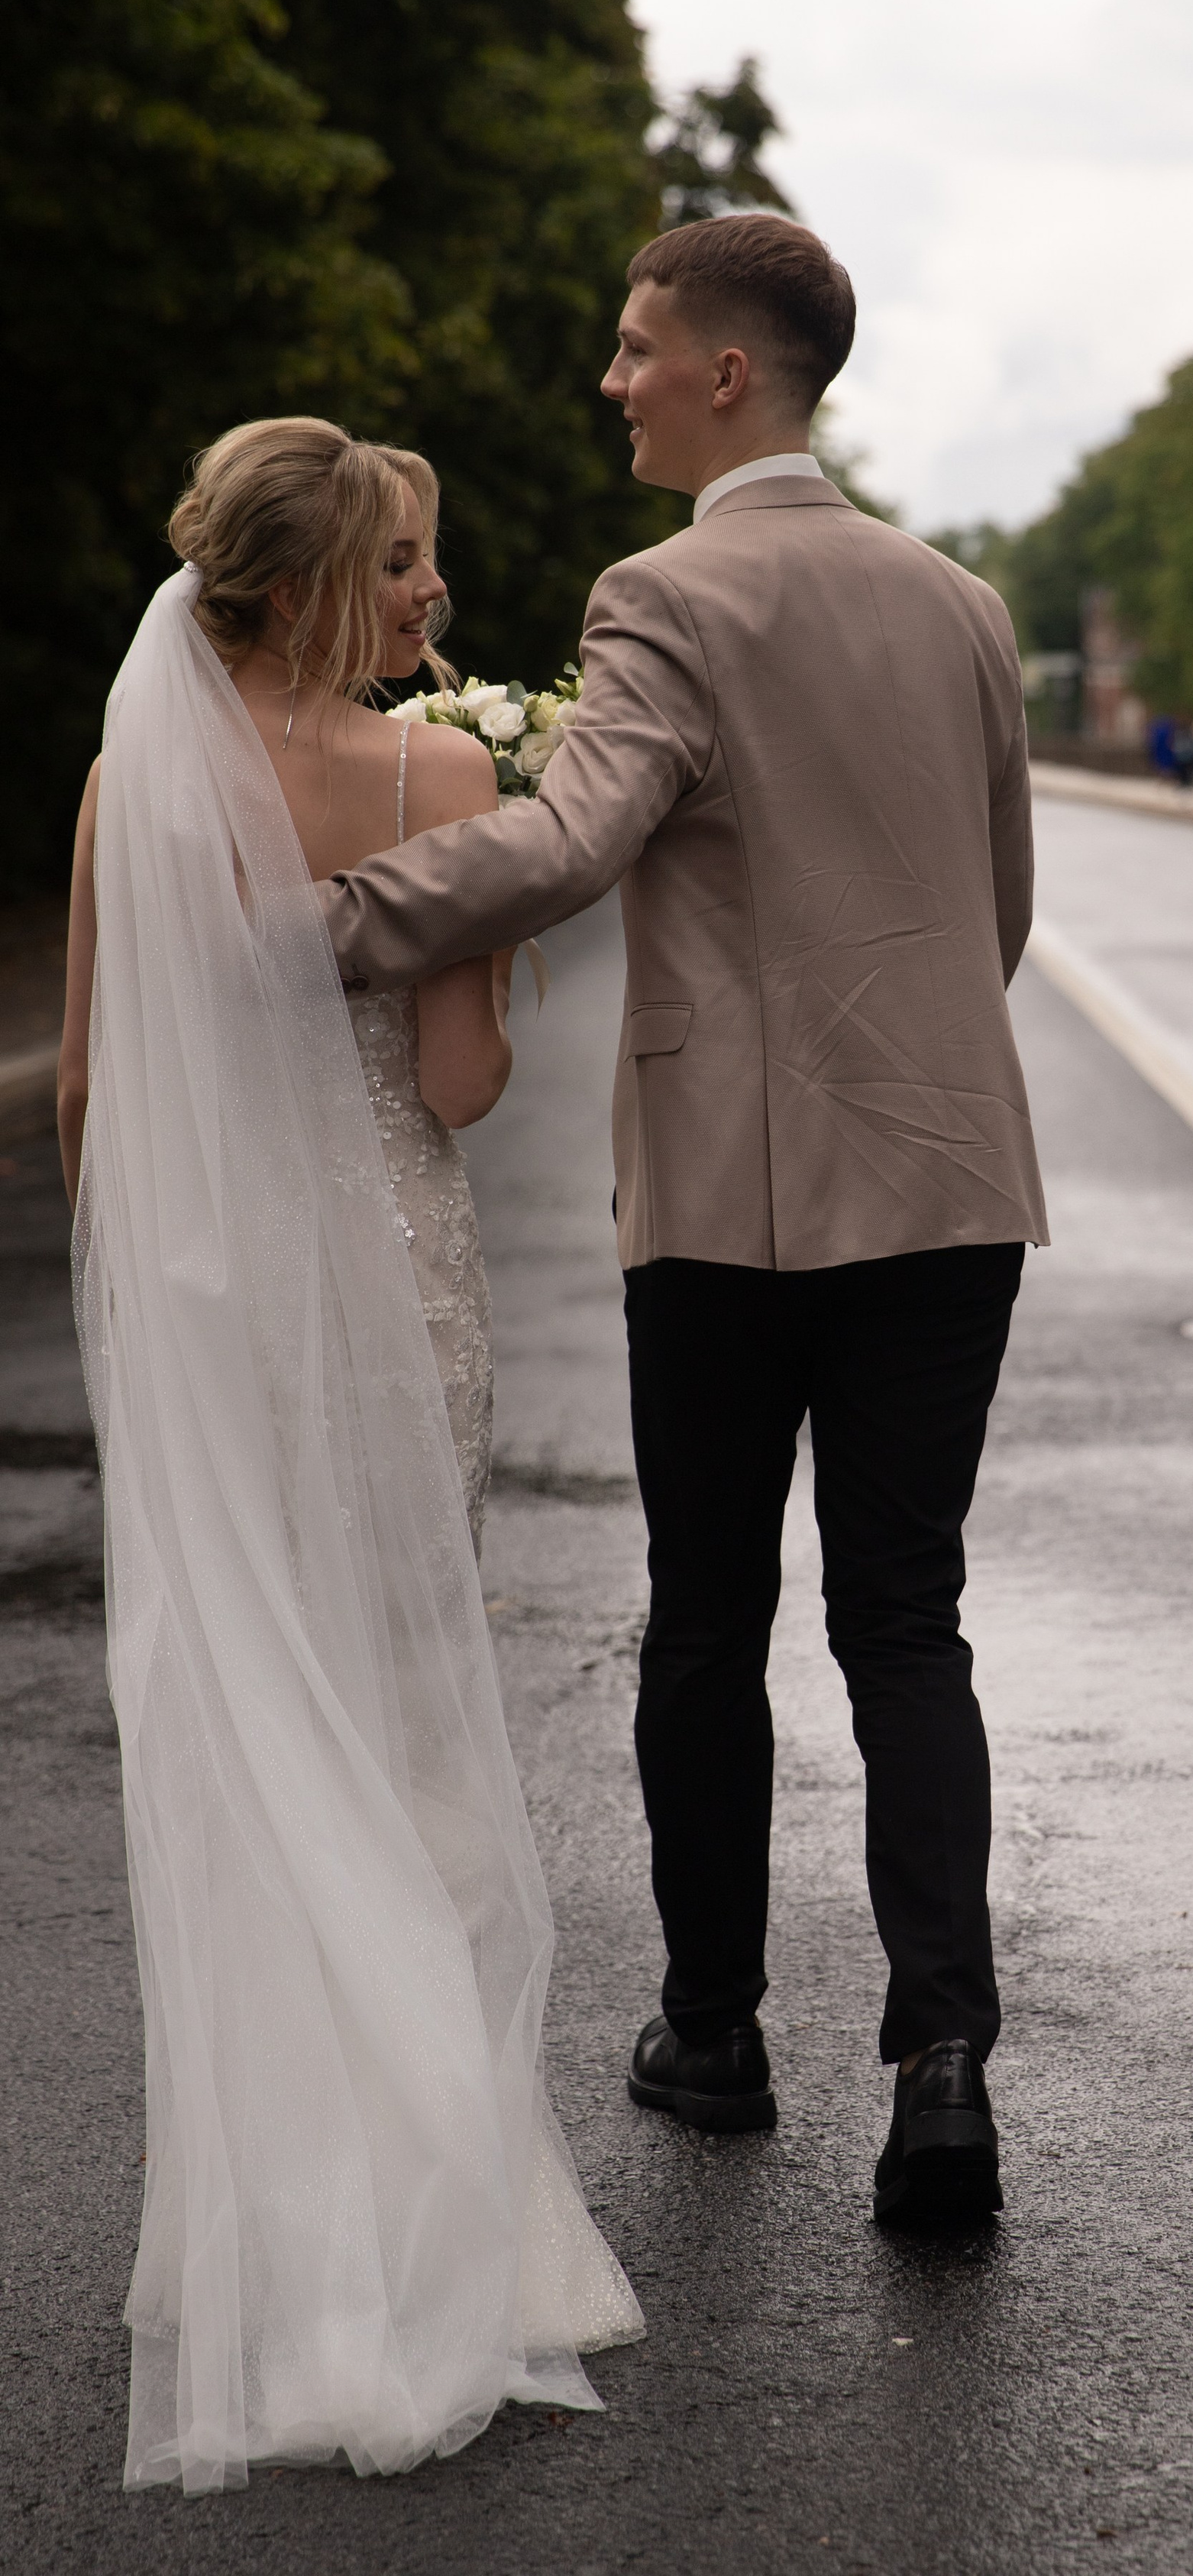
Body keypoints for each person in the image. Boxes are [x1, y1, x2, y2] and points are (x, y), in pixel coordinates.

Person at [314, 215, 1049, 2227]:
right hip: (951, 1183)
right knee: (908, 1622)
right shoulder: (962, 603)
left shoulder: (669, 593)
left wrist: (315, 925)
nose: (615, 381)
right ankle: (947, 2055)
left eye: (640, 350)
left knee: (711, 1619)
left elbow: (567, 843)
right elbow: (996, 915)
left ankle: (715, 2034)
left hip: (731, 1206)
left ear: (733, 372)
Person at [60, 419, 644, 2495]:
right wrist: (493, 959)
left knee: (254, 1734)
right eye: (405, 568)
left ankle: (273, 2227)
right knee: (405, 1732)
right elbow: (467, 1088)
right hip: (396, 1297)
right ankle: (444, 2215)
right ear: (325, 586)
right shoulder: (440, 781)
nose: (434, 605)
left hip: (209, 1318)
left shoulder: (131, 792)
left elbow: (92, 1119)